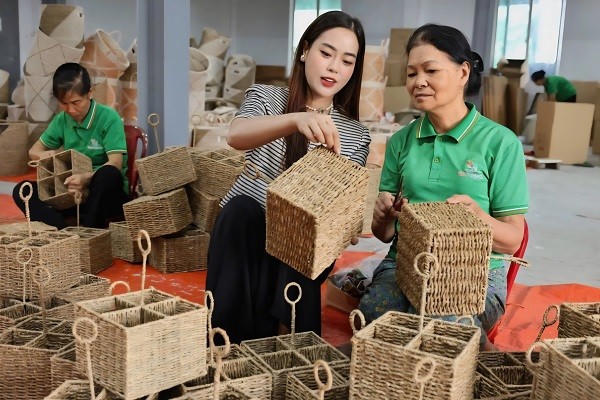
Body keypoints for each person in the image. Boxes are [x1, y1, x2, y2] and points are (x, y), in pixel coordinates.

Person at [359, 24, 529, 349]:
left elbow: (512, 240)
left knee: (440, 327)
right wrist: (384, 217)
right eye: (411, 73)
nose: (418, 81)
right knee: (376, 320)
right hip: (405, 263)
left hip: (474, 275)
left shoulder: (500, 143)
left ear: (463, 72)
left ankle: (466, 349)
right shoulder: (401, 141)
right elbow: (385, 235)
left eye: (431, 70)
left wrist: (478, 218)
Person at [206, 11, 371, 344]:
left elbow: (342, 210)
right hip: (250, 235)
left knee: (303, 230)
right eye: (326, 53)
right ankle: (224, 347)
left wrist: (346, 222)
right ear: (305, 50)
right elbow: (236, 135)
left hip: (303, 250)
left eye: (347, 61)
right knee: (239, 210)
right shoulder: (266, 97)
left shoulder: (355, 135)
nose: (334, 68)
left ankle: (289, 349)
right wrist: (295, 120)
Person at [12, 63, 129, 229]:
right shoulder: (62, 120)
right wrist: (45, 155)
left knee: (108, 174)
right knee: (22, 190)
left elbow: (115, 163)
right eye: (64, 103)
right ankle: (61, 229)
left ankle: (89, 231)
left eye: (76, 102)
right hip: (71, 194)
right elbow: (34, 151)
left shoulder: (109, 117)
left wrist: (86, 178)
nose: (71, 110)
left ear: (90, 93)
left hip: (104, 196)